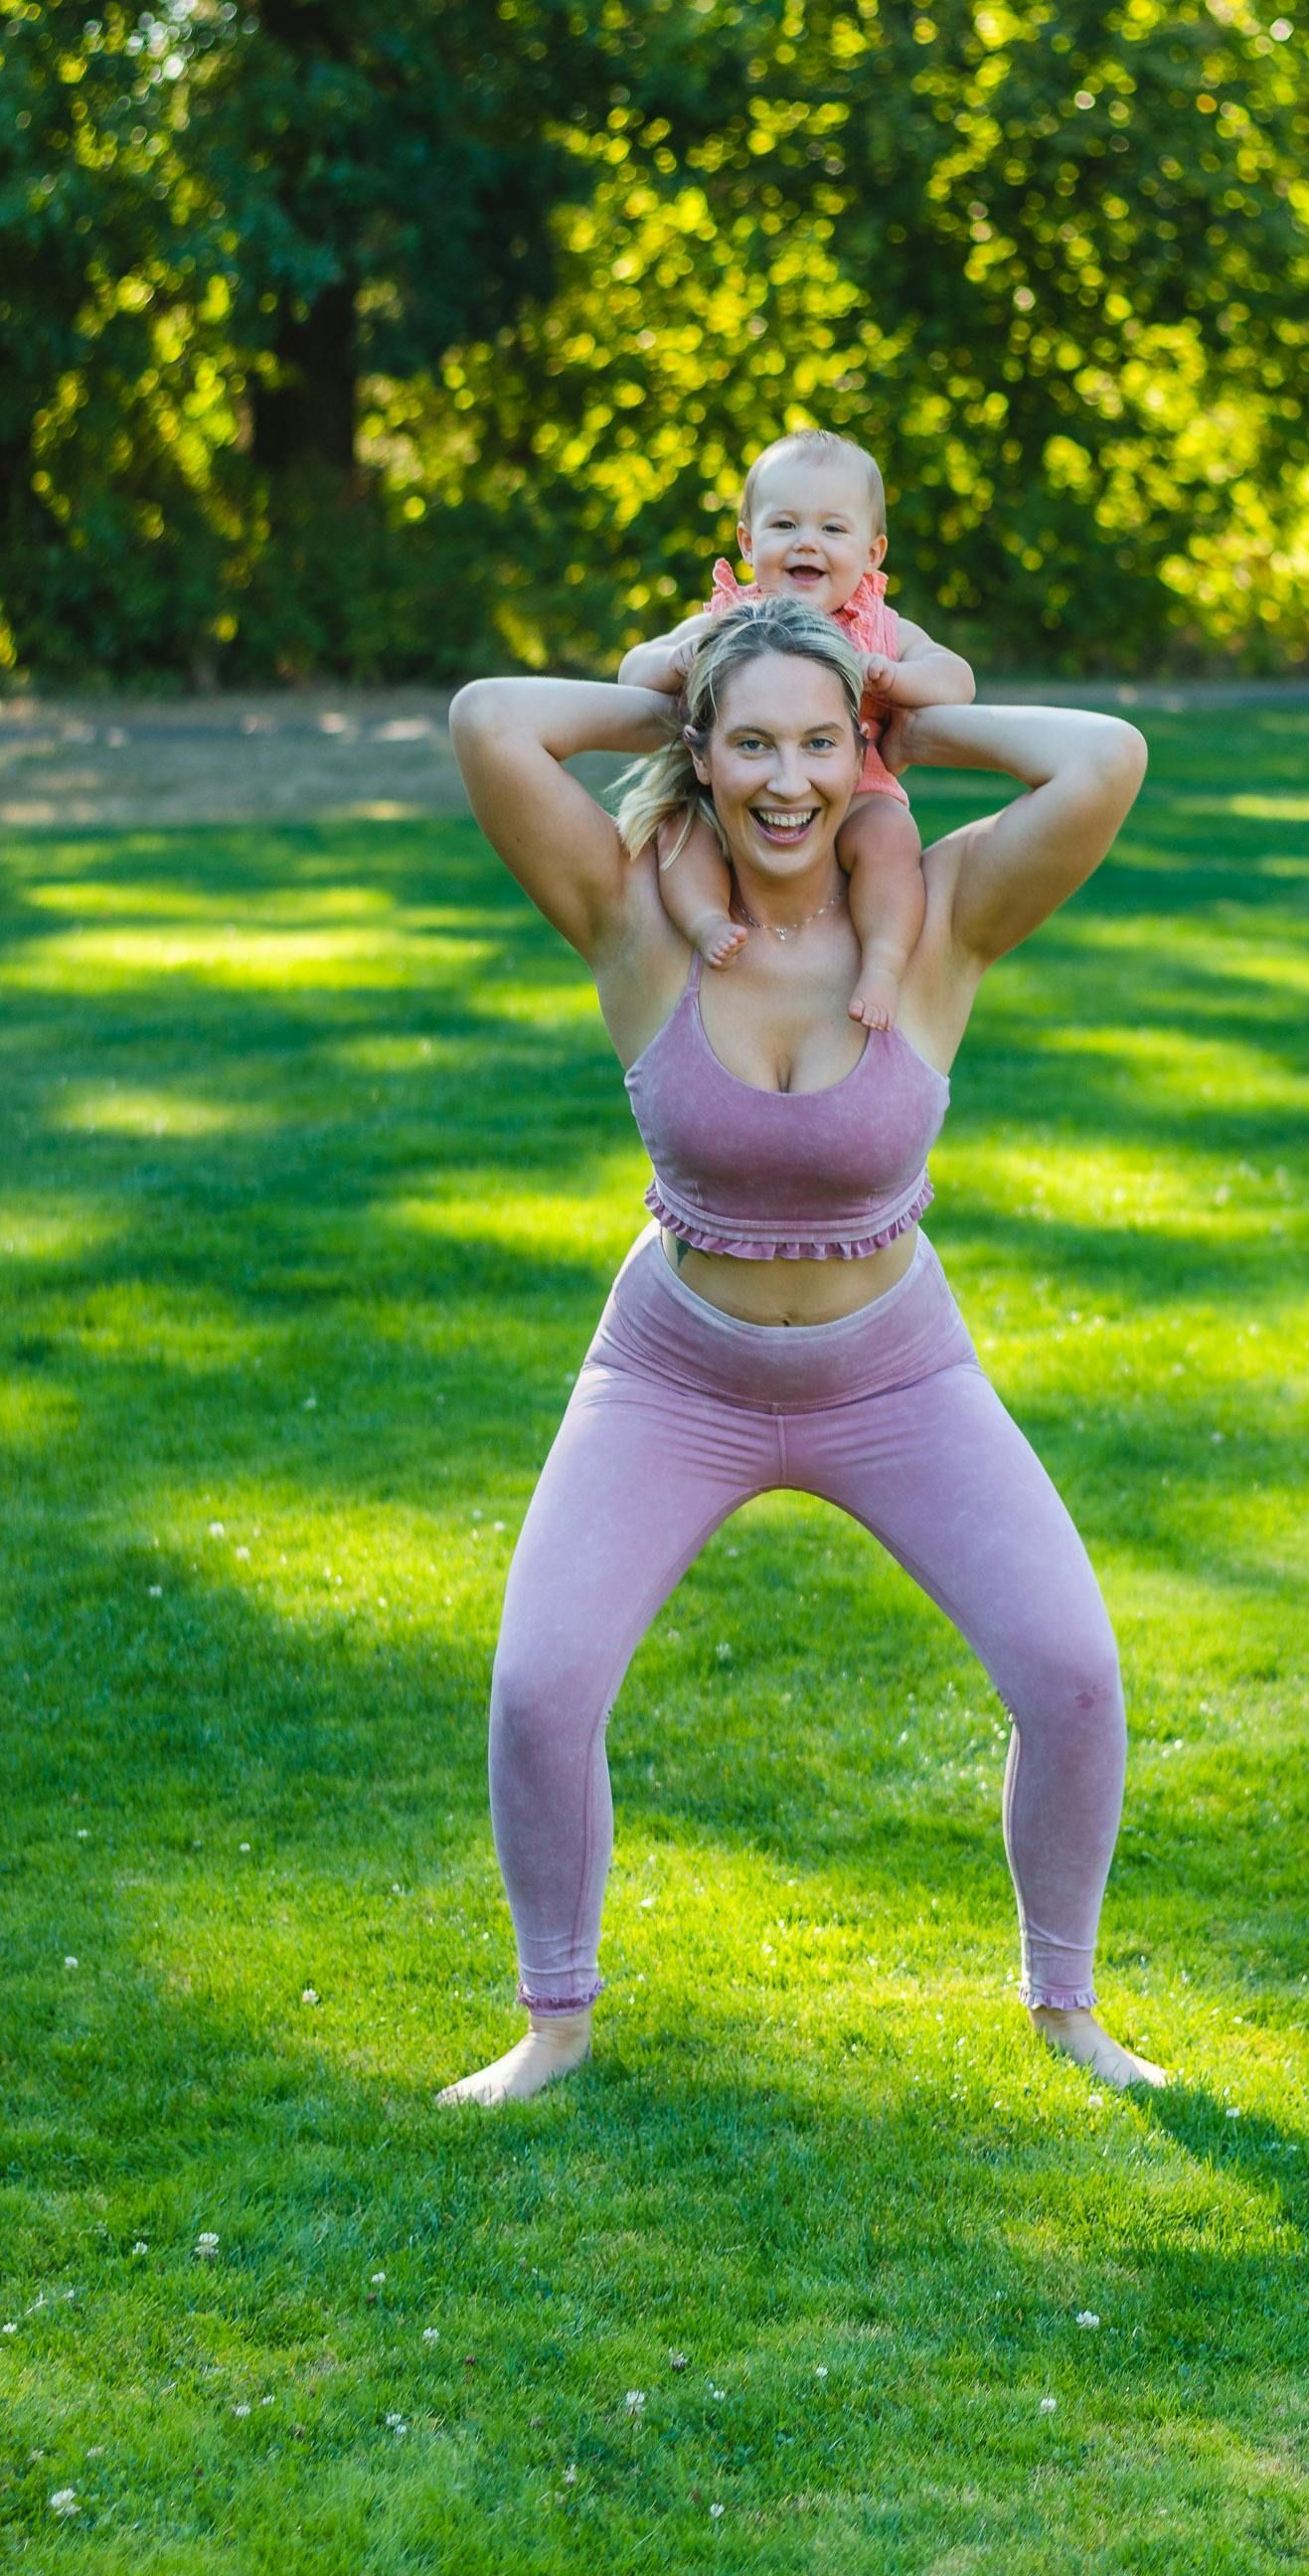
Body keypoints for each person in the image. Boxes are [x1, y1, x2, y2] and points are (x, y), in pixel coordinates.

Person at [437, 591, 1159, 2107]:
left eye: (819, 748)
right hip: (676, 1371)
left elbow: (1105, 757)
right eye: (751, 746)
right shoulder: (636, 912)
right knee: (540, 1690)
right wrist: (690, 699)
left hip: (892, 1369)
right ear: (704, 755)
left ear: (860, 754)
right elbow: (491, 721)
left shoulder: (945, 918)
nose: (786, 782)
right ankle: (553, 2025)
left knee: (1076, 1679)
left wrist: (892, 709)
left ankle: (1069, 2005)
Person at [617, 428, 974, 1033]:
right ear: (748, 541)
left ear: (872, 552)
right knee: (677, 829)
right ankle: (706, 923)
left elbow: (957, 679)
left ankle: (884, 964)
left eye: (833, 529)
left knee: (892, 842)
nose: (807, 542)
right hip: (730, 796)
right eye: (785, 526)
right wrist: (675, 661)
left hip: (859, 792)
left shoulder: (879, 627)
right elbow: (632, 669)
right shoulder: (728, 614)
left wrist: (895, 676)